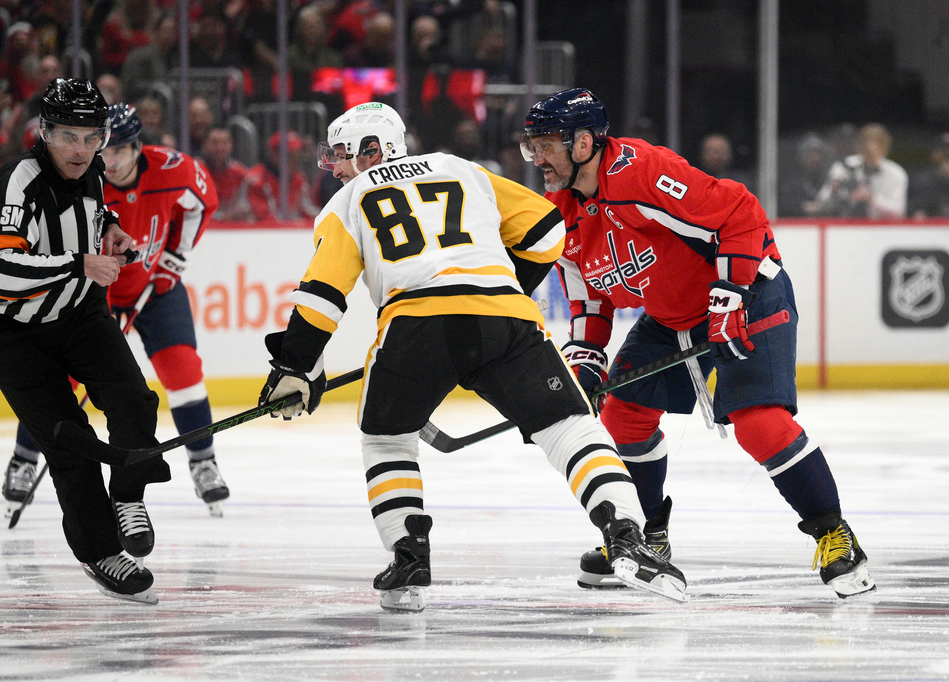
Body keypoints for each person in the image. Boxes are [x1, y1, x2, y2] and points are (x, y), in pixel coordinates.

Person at [259, 101, 688, 612]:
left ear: (373, 150)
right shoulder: (458, 168)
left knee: (387, 439)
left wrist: (296, 367)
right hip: (503, 318)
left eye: (341, 154)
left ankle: (409, 557)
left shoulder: (348, 201)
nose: (334, 167)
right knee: (570, 428)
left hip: (413, 326)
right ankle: (627, 535)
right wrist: (501, 289)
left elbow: (321, 296)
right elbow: (547, 230)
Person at [520, 88, 876, 599]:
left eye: (547, 145)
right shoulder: (559, 214)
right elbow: (589, 300)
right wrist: (586, 364)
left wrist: (729, 298)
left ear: (583, 143)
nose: (538, 158)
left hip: (748, 290)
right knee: (622, 416)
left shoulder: (640, 172)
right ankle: (646, 541)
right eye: (533, 146)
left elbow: (740, 213)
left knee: (759, 422)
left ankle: (836, 536)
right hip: (671, 316)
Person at [0, 78, 169, 604]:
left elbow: (92, 211)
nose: (81, 150)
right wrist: (80, 263)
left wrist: (110, 230)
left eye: (91, 137)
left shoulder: (92, 168)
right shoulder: (19, 180)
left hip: (79, 313)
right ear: (45, 133)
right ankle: (101, 551)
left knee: (134, 401)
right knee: (70, 442)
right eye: (69, 137)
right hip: (12, 334)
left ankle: (127, 495)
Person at [1, 102, 231, 517]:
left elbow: (203, 201)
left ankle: (203, 461)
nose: (110, 159)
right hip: (92, 293)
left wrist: (174, 258)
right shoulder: (79, 180)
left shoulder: (174, 169)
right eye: (103, 149)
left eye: (119, 149)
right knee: (64, 380)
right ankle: (23, 459)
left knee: (183, 369)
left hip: (156, 287)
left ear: (137, 147)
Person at [809, 122, 907, 218]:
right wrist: (834, 192)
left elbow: (898, 212)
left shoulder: (896, 173)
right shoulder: (843, 166)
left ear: (885, 146)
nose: (870, 147)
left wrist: (871, 198)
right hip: (846, 223)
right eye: (865, 142)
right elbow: (821, 203)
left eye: (876, 143)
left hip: (880, 226)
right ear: (859, 145)